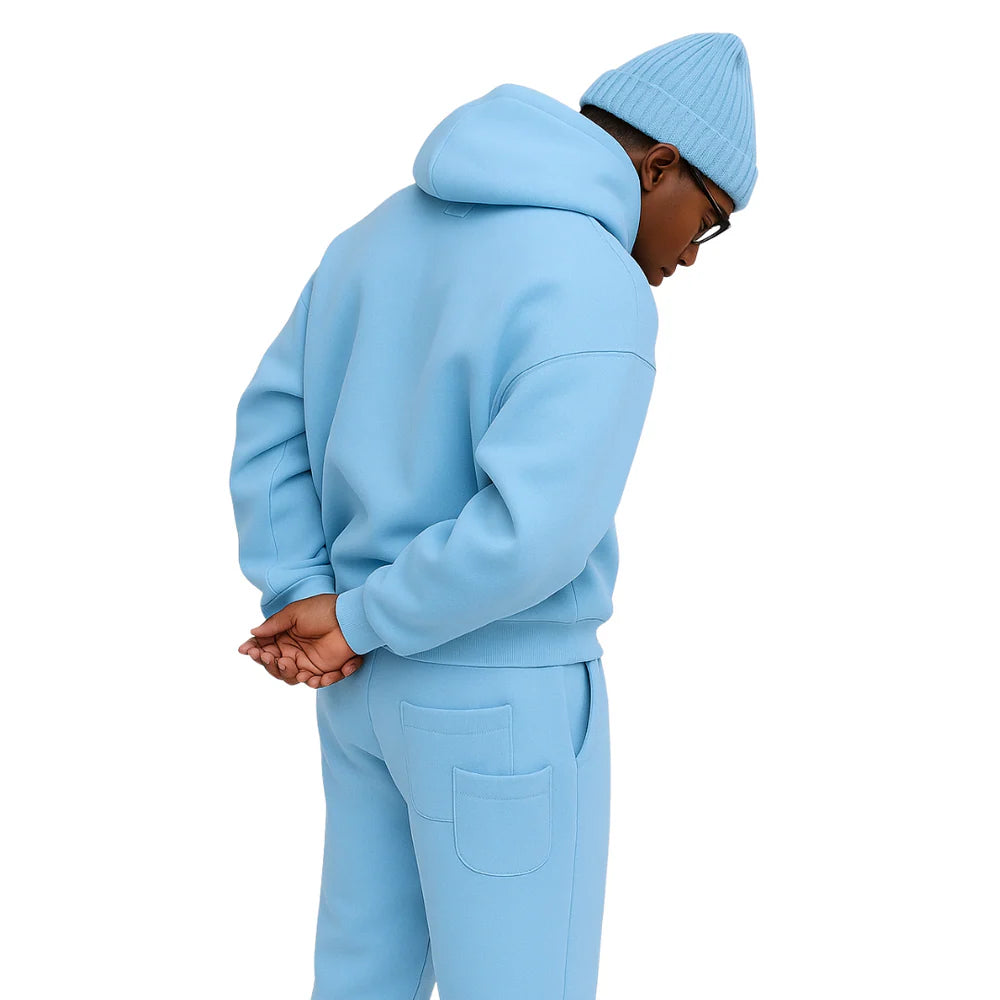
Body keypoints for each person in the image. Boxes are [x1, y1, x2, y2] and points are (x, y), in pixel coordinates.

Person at [230, 30, 758, 1000]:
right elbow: (535, 535)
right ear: (659, 165)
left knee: (361, 980)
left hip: (361, 696)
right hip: (500, 697)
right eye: (709, 218)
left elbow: (272, 422)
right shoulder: (595, 282)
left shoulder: (374, 236)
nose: (691, 252)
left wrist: (309, 593)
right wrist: (357, 618)